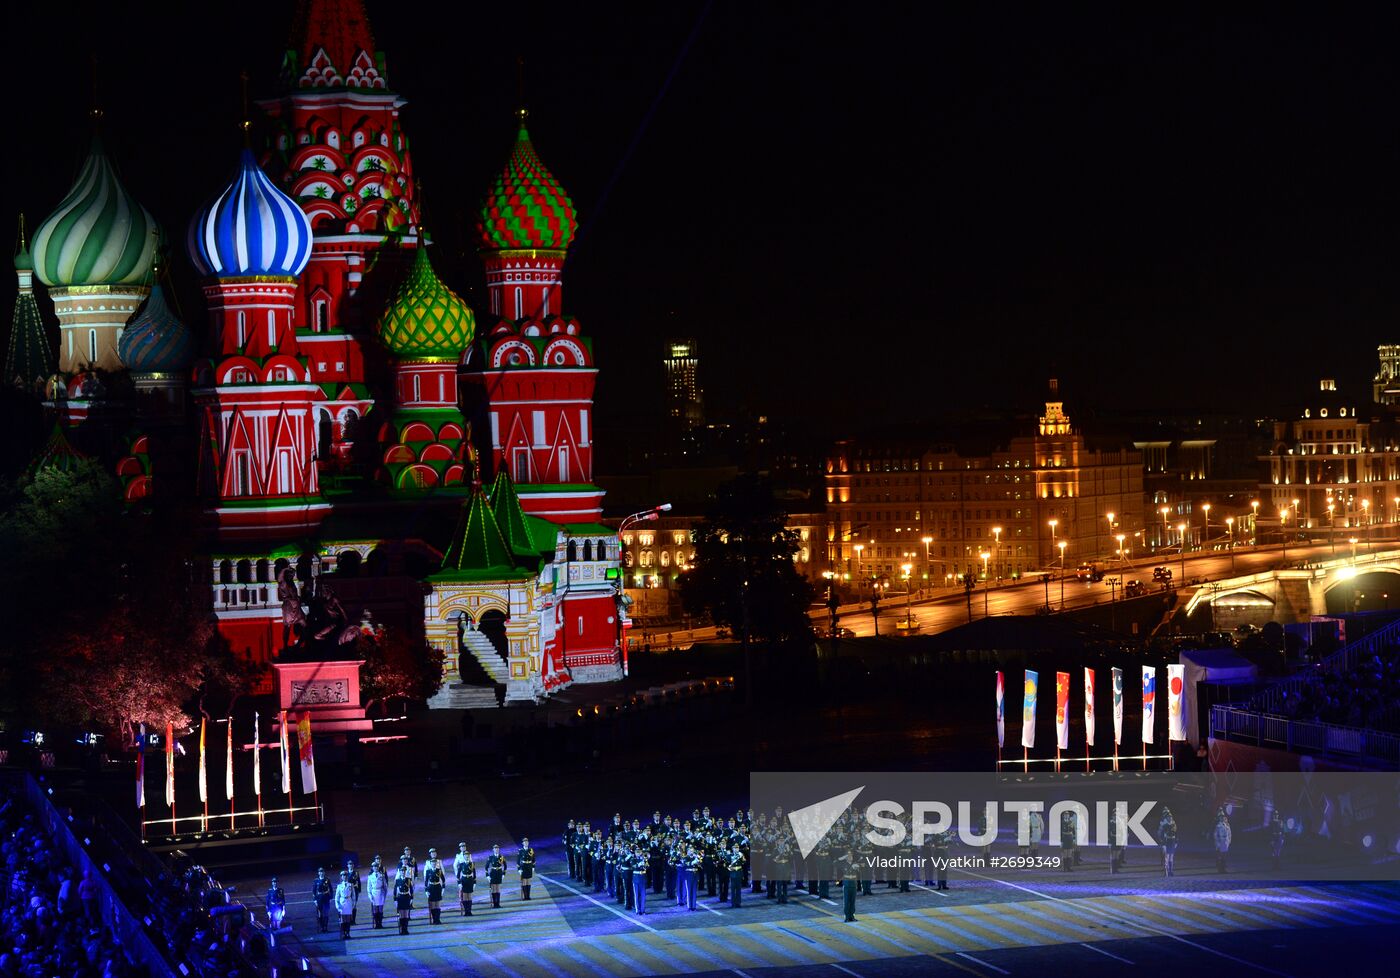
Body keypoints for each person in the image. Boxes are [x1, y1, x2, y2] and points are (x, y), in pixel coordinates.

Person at [454, 843, 476, 916]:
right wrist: (459, 879)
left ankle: (469, 911)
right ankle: (466, 910)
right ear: (460, 848)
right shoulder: (458, 856)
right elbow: (455, 866)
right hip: (463, 878)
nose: (463, 847)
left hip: (469, 878)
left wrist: (474, 881)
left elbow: (472, 868)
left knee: (469, 896)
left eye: (464, 846)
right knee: (464, 896)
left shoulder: (470, 857)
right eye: (462, 847)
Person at [424, 848, 445, 924]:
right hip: (431, 887)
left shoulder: (439, 870)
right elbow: (426, 881)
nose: (433, 864)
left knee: (437, 904)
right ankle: (434, 919)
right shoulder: (428, 871)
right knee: (432, 904)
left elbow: (443, 879)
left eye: (434, 863)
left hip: (438, 887)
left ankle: (438, 919)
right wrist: (426, 890)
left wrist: (443, 888)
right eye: (432, 863)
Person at [366, 859, 388, 928]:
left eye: (376, 867)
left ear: (378, 867)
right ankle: (376, 924)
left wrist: (384, 894)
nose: (375, 868)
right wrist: (370, 895)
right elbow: (369, 887)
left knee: (380, 909)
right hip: (374, 893)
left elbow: (385, 886)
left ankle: (380, 923)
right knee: (375, 909)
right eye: (374, 867)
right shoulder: (370, 876)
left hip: (380, 892)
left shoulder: (381, 875)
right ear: (372, 868)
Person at [335, 870, 356, 939]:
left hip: (349, 901)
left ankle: (348, 933)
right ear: (341, 877)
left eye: (345, 875)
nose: (344, 877)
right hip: (342, 902)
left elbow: (353, 895)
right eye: (343, 876)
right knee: (343, 919)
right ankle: (343, 933)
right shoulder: (339, 886)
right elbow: (337, 897)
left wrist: (353, 903)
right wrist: (337, 905)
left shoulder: (351, 885)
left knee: (348, 919)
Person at [841, 847, 860, 922]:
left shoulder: (855, 864)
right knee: (846, 901)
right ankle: (847, 917)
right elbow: (835, 862)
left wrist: (858, 867)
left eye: (851, 856)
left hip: (853, 884)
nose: (850, 857)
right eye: (848, 856)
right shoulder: (843, 864)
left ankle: (852, 916)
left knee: (852, 902)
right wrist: (843, 857)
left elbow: (861, 868)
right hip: (847, 885)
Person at [1158, 808, 1178, 878]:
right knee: (1166, 857)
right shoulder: (1164, 824)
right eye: (1168, 817)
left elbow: (1176, 833)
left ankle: (1171, 871)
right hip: (1166, 842)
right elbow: (1161, 834)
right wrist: (1163, 844)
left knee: (1171, 857)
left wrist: (1176, 842)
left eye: (1170, 817)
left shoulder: (1173, 824)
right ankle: (1166, 871)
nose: (1170, 818)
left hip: (1172, 841)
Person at [312, 867, 332, 933]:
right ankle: (321, 927)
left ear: (324, 872)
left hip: (326, 898)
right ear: (318, 873)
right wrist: (314, 900)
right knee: (320, 914)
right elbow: (314, 891)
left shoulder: (327, 880)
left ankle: (325, 927)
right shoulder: (316, 881)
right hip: (319, 899)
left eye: (322, 871)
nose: (321, 873)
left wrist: (330, 898)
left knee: (326, 913)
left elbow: (331, 889)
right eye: (320, 872)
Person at [394, 867, 414, 935]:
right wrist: (395, 900)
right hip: (400, 898)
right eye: (401, 871)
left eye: (404, 871)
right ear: (399, 872)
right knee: (401, 915)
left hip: (406, 897)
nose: (403, 872)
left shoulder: (408, 880)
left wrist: (411, 898)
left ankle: (406, 929)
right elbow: (395, 891)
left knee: (406, 915)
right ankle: (402, 929)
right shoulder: (397, 880)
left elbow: (411, 889)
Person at [486, 844, 507, 909]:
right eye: (495, 849)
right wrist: (487, 876)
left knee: (498, 889)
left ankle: (498, 904)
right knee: (493, 889)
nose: (496, 850)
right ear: (493, 850)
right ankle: (495, 904)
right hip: (493, 873)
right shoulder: (491, 857)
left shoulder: (501, 857)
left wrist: (503, 874)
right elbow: (486, 867)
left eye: (497, 848)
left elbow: (505, 866)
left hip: (499, 873)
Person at [631, 846, 649, 914]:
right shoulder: (633, 859)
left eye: (639, 851)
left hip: (643, 878)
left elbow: (647, 867)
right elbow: (633, 866)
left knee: (643, 895)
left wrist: (645, 861)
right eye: (637, 852)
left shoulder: (644, 859)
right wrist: (639, 864)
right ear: (635, 853)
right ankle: (638, 910)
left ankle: (643, 910)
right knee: (636, 895)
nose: (638, 853)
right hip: (636, 878)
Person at [1214, 809, 1232, 874]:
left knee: (1224, 856)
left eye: (1223, 817)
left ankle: (1223, 868)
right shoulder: (1218, 826)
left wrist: (1229, 841)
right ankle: (1221, 869)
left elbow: (1229, 833)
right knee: (1221, 856)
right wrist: (1218, 844)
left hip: (1225, 842)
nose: (1222, 818)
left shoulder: (1226, 825)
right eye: (1221, 817)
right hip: (1221, 842)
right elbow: (1216, 835)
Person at [345, 858, 361, 924]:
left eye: (351, 864)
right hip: (349, 891)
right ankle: (349, 920)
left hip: (355, 890)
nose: (350, 865)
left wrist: (359, 890)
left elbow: (358, 881)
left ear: (353, 865)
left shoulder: (356, 873)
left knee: (354, 905)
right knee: (349, 905)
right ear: (347, 865)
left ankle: (353, 920)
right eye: (349, 864)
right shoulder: (346, 874)